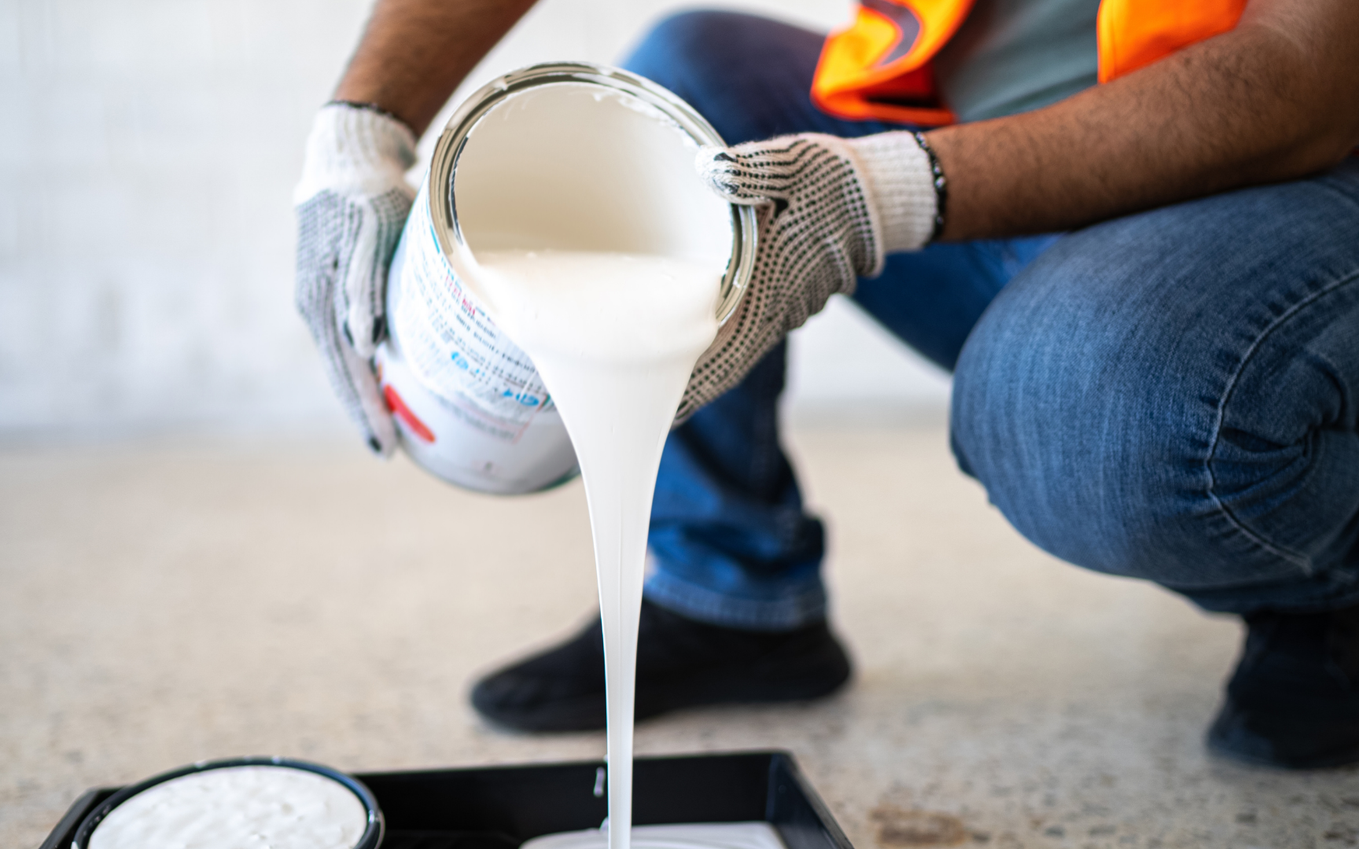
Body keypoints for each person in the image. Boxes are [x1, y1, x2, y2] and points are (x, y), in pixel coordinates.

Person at [294, 0, 1359, 770]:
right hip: (1014, 157)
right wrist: (360, 128)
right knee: (686, 74)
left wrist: (883, 192)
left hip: (1287, 184)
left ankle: (1329, 596)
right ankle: (730, 598)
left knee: (1104, 406)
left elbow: (1306, 78)